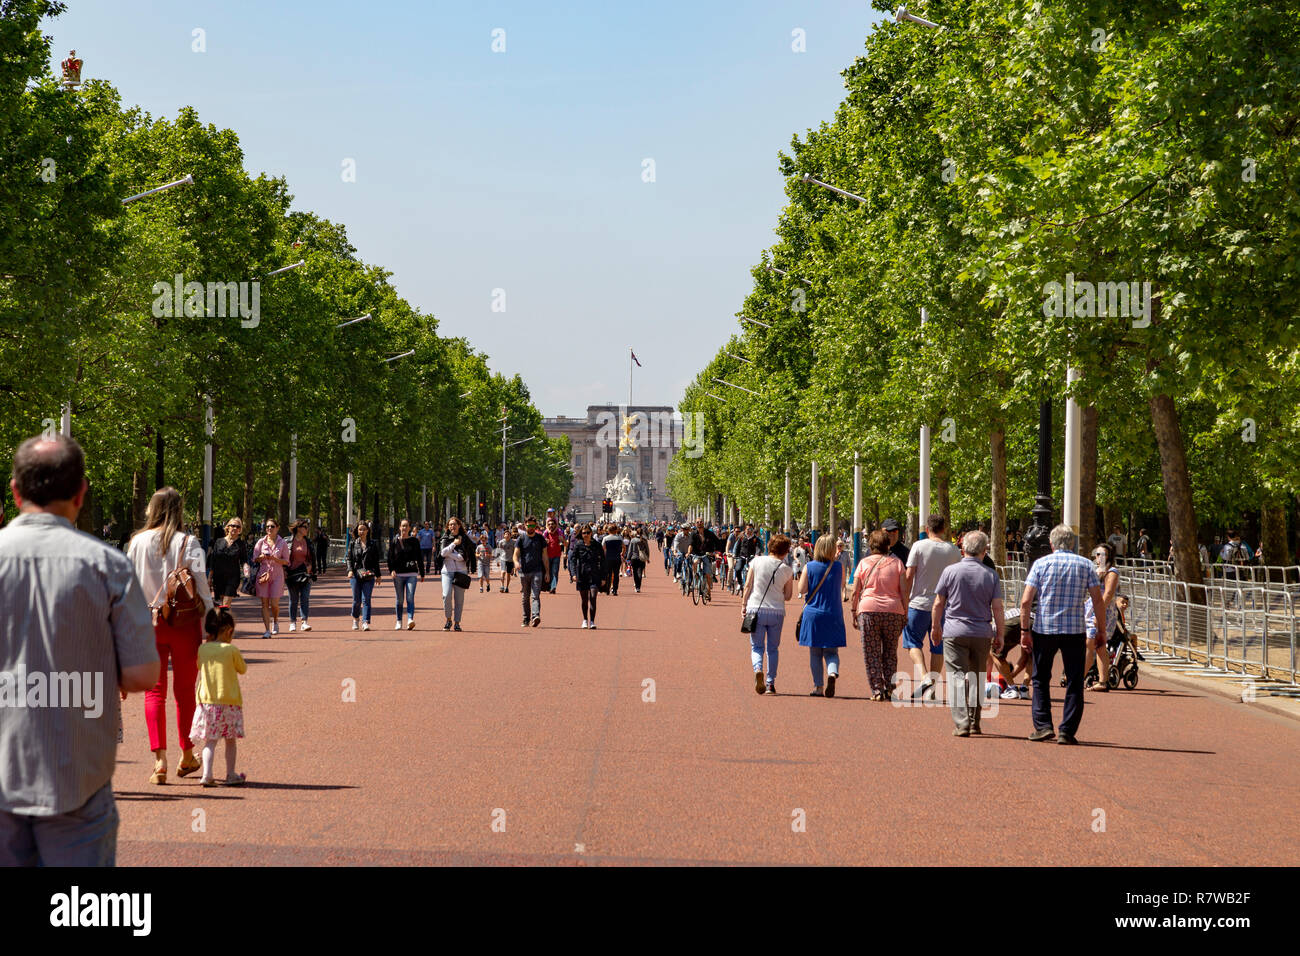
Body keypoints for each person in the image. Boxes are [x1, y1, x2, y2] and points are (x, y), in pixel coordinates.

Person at [0, 435, 159, 865]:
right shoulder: (108, 565)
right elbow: (144, 674)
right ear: (81, 491)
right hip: (76, 772)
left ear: (16, 491)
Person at [127, 486, 215, 785]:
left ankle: (159, 761)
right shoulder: (189, 543)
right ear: (179, 511)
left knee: (154, 692)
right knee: (185, 691)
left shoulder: (136, 543)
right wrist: (209, 624)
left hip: (146, 623)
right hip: (183, 623)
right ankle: (187, 753)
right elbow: (201, 585)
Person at [1018, 524, 1105, 745]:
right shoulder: (1086, 565)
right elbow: (1097, 600)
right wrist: (1101, 630)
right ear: (1073, 543)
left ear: (1051, 544)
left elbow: (1026, 601)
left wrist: (1024, 630)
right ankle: (1067, 730)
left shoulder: (1041, 564)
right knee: (1075, 680)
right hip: (1075, 630)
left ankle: (1043, 725)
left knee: (1040, 679)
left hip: (1045, 628)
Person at [932, 531, 1004, 736]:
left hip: (955, 630)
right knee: (978, 676)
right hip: (982, 631)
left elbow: (939, 603)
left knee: (956, 676)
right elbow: (997, 607)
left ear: (963, 549)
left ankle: (962, 722)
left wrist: (935, 626)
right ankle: (975, 721)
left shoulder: (950, 571)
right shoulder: (991, 575)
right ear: (984, 551)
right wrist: (1000, 634)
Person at [903, 514, 960, 700]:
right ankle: (932, 687)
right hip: (944, 605)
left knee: (912, 642)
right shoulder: (953, 550)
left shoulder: (919, 546)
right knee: (938, 646)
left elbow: (909, 575)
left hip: (919, 603)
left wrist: (904, 598)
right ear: (944, 529)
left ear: (927, 529)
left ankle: (924, 676)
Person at [190, 608, 247, 787]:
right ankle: (230, 774)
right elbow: (242, 669)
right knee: (230, 741)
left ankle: (207, 774)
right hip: (229, 701)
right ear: (228, 630)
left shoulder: (203, 649)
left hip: (207, 702)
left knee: (210, 741)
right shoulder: (231, 650)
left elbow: (199, 665)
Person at [850, 530, 909, 702]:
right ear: (887, 545)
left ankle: (877, 689)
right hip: (893, 610)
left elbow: (855, 591)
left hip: (869, 610)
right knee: (890, 651)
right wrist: (905, 610)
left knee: (871, 651)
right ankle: (890, 688)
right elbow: (904, 590)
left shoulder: (863, 563)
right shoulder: (898, 563)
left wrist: (854, 611)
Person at [742, 534, 795, 695]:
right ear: (785, 552)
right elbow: (788, 596)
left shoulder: (756, 561)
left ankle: (758, 668)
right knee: (773, 648)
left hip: (755, 608)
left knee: (757, 646)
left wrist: (744, 605)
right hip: (776, 611)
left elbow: (747, 585)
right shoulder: (787, 570)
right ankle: (770, 683)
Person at [796, 534, 847, 697]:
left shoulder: (809, 567)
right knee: (832, 652)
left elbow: (801, 589)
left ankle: (818, 687)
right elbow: (843, 584)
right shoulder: (839, 567)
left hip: (813, 614)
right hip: (833, 613)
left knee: (815, 653)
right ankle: (832, 672)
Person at [1084, 543, 1120, 692]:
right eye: (1097, 554)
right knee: (1099, 647)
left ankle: (1078, 676)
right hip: (1090, 609)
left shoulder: (1112, 572)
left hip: (1102, 612)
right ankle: (1103, 681)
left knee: (1090, 644)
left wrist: (1098, 615)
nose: (1098, 557)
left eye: (1102, 554)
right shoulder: (1095, 571)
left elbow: (1108, 594)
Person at [251, 518, 288, 638]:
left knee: (274, 603)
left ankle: (276, 621)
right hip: (263, 575)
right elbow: (254, 558)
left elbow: (286, 561)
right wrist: (261, 557)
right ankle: (267, 630)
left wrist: (274, 558)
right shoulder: (261, 542)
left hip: (277, 575)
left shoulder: (282, 543)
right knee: (264, 603)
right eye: (267, 526)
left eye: (272, 526)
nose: (269, 529)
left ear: (277, 528)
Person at [440, 516, 476, 631]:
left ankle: (457, 622)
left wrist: (449, 553)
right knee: (446, 595)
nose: (452, 526)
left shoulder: (464, 538)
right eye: (450, 524)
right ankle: (448, 619)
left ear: (459, 526)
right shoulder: (445, 538)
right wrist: (454, 544)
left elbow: (461, 557)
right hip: (447, 572)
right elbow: (442, 553)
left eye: (454, 524)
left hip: (461, 572)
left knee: (459, 599)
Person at [388, 518, 424, 630]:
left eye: (406, 526)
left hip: (411, 573)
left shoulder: (414, 541)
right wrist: (391, 570)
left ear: (409, 528)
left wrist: (422, 573)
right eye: (402, 526)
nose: (404, 528)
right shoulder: (394, 541)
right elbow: (390, 558)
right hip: (398, 574)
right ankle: (399, 621)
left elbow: (419, 557)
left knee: (409, 597)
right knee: (399, 599)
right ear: (399, 527)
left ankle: (410, 619)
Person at [515, 515, 549, 627]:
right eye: (529, 525)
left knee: (535, 595)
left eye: (533, 525)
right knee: (525, 596)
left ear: (536, 526)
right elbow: (515, 555)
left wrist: (547, 572)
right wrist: (516, 563)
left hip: (537, 570)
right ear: (525, 525)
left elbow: (545, 556)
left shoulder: (540, 539)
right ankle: (526, 619)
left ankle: (535, 616)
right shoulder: (521, 539)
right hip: (524, 571)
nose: (531, 527)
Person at [347, 520, 381, 630]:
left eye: (364, 529)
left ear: (368, 531)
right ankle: (355, 619)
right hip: (356, 575)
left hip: (368, 574)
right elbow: (349, 558)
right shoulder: (353, 543)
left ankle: (365, 621)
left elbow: (376, 560)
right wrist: (350, 570)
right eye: (360, 529)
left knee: (366, 599)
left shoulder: (372, 544)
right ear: (357, 530)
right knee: (356, 600)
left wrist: (378, 575)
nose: (362, 531)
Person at [570, 524, 604, 628]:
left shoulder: (597, 545)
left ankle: (592, 621)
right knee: (584, 600)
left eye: (588, 533)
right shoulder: (578, 545)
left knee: (593, 597)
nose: (586, 535)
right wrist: (573, 574)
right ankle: (585, 619)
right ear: (581, 534)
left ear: (591, 533)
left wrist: (603, 577)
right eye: (584, 533)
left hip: (594, 574)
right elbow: (572, 560)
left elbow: (603, 560)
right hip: (582, 574)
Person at [285, 519, 316, 633]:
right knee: (293, 600)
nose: (307, 529)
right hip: (292, 574)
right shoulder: (288, 541)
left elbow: (312, 557)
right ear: (299, 528)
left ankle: (304, 622)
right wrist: (284, 570)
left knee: (305, 598)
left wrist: (312, 568)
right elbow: (284, 557)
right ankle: (292, 622)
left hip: (305, 573)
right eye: (305, 527)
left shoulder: (308, 542)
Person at [209, 517, 247, 610]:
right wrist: (209, 578)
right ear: (228, 527)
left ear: (240, 530)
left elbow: (244, 560)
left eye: (237, 526)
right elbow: (213, 561)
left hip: (233, 577)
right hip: (218, 577)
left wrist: (246, 571)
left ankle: (222, 622)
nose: (235, 528)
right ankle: (224, 622)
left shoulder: (241, 544)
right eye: (233, 525)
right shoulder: (219, 541)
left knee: (226, 604)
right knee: (222, 603)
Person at [544, 516, 564, 594]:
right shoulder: (545, 533)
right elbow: (542, 543)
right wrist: (545, 541)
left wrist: (562, 540)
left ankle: (553, 587)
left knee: (555, 572)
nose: (551, 525)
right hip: (547, 556)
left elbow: (565, 543)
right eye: (549, 524)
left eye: (552, 524)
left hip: (556, 555)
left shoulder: (559, 531)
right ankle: (549, 586)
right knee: (547, 572)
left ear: (555, 525)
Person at [628, 525, 649, 592]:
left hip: (634, 558)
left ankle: (636, 585)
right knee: (640, 572)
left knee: (635, 572)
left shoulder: (633, 540)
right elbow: (647, 549)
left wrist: (628, 558)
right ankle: (638, 587)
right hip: (642, 558)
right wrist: (648, 557)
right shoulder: (644, 540)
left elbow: (630, 550)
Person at [500, 529, 516, 593]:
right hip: (503, 559)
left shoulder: (513, 542)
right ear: (504, 535)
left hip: (510, 560)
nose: (507, 535)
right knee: (503, 572)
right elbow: (499, 551)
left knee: (508, 574)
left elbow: (515, 552)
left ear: (510, 535)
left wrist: (514, 562)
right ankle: (502, 586)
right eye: (506, 534)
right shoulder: (501, 542)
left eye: (508, 534)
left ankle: (507, 587)